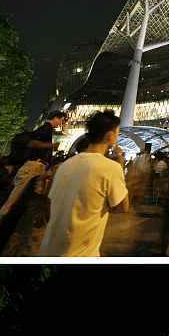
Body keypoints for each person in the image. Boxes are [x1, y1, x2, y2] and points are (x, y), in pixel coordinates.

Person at [37, 110, 128, 257]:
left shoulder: (64, 166)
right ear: (110, 136)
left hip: (47, 252)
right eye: (117, 133)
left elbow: (48, 211)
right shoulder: (111, 168)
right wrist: (120, 160)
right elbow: (123, 206)